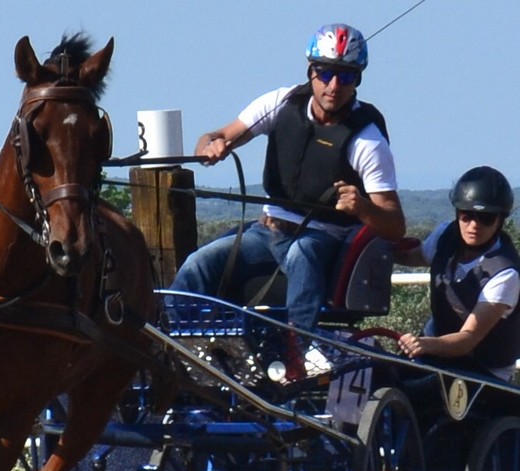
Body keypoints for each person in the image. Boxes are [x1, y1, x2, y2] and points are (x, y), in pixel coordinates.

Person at [171, 23, 407, 334]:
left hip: (321, 237)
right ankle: (176, 346)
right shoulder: (281, 103)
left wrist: (362, 207)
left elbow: (395, 225)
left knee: (301, 254)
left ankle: (299, 352)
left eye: (346, 75)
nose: (334, 85)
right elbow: (217, 135)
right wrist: (211, 147)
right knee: (199, 262)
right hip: (264, 232)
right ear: (311, 70)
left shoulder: (367, 140)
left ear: (357, 79)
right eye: (325, 73)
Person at [394, 166, 520, 381]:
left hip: (484, 371)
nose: (474, 225)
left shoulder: (505, 273)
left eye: (485, 218)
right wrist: (378, 247)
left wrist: (425, 344)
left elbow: (467, 340)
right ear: (458, 213)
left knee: (422, 391)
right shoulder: (445, 236)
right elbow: (415, 256)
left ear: (500, 220)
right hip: (439, 353)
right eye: (466, 216)